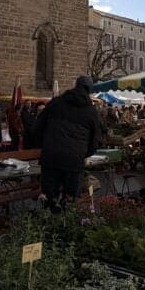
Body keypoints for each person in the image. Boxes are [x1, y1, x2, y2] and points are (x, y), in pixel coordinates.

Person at [35, 76, 101, 207]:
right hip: (74, 161)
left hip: (51, 157)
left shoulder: (56, 102)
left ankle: (49, 223)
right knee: (70, 200)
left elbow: (38, 126)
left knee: (50, 198)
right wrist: (82, 153)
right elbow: (95, 140)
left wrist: (46, 146)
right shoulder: (91, 111)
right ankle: (65, 224)